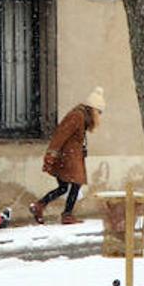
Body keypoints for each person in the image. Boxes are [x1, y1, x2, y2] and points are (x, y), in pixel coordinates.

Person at [30, 87, 104, 225]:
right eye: (99, 112)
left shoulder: (82, 117)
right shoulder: (77, 116)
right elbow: (61, 134)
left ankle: (39, 205)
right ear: (93, 109)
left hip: (70, 156)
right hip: (67, 157)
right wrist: (51, 154)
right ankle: (67, 214)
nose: (99, 115)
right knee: (76, 183)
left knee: (64, 187)